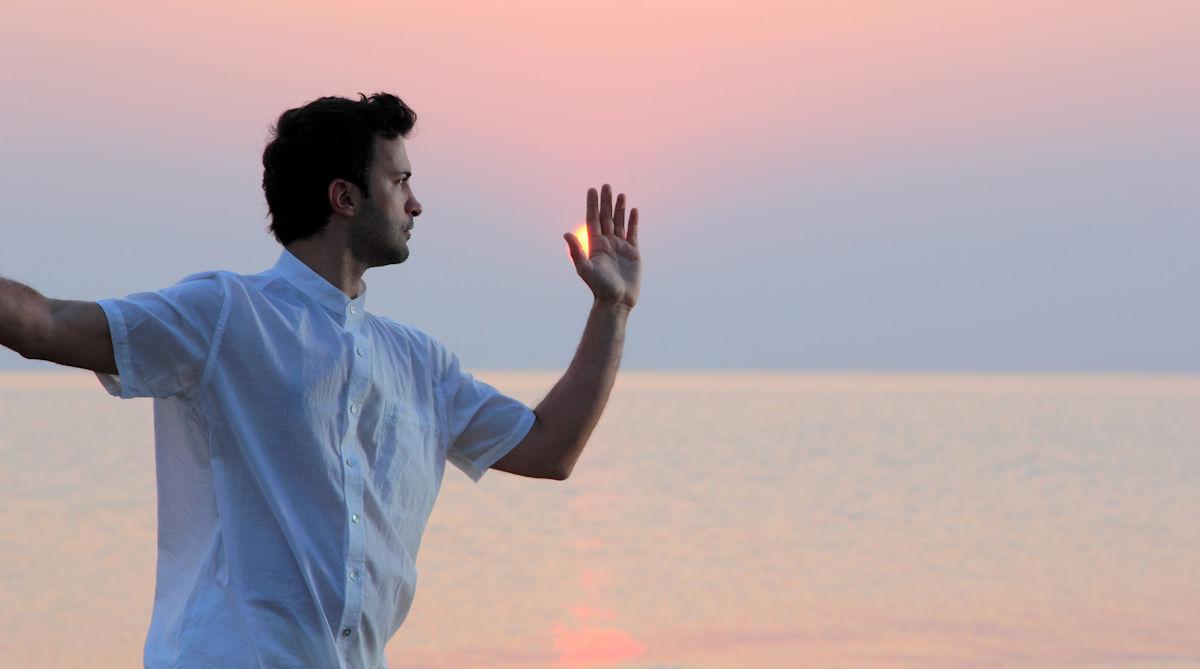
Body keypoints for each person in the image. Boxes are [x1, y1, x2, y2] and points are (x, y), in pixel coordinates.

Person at [0, 92, 641, 668]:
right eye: (399, 181)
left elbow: (551, 448)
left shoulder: (419, 362)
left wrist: (611, 309)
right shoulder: (225, 315)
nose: (416, 203)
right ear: (344, 197)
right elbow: (44, 326)